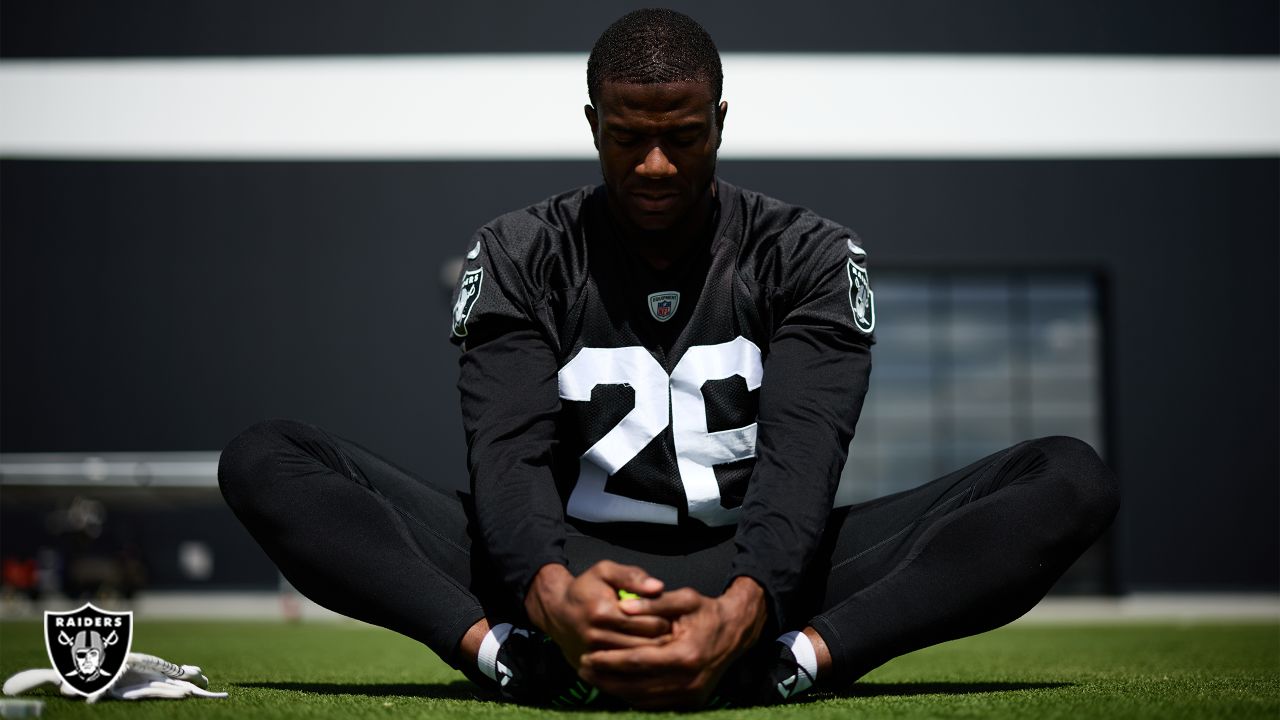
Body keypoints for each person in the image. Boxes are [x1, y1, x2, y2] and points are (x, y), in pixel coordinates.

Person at [218, 8, 1119, 710]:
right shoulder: (523, 249)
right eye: (627, 136)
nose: (653, 165)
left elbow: (804, 462)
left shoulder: (804, 252)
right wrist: (546, 594)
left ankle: (789, 668)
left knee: (1069, 478)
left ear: (720, 122)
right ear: (592, 123)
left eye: (682, 136)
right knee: (266, 458)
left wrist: (746, 607)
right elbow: (508, 453)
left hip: (764, 575)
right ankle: (509, 661)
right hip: (565, 568)